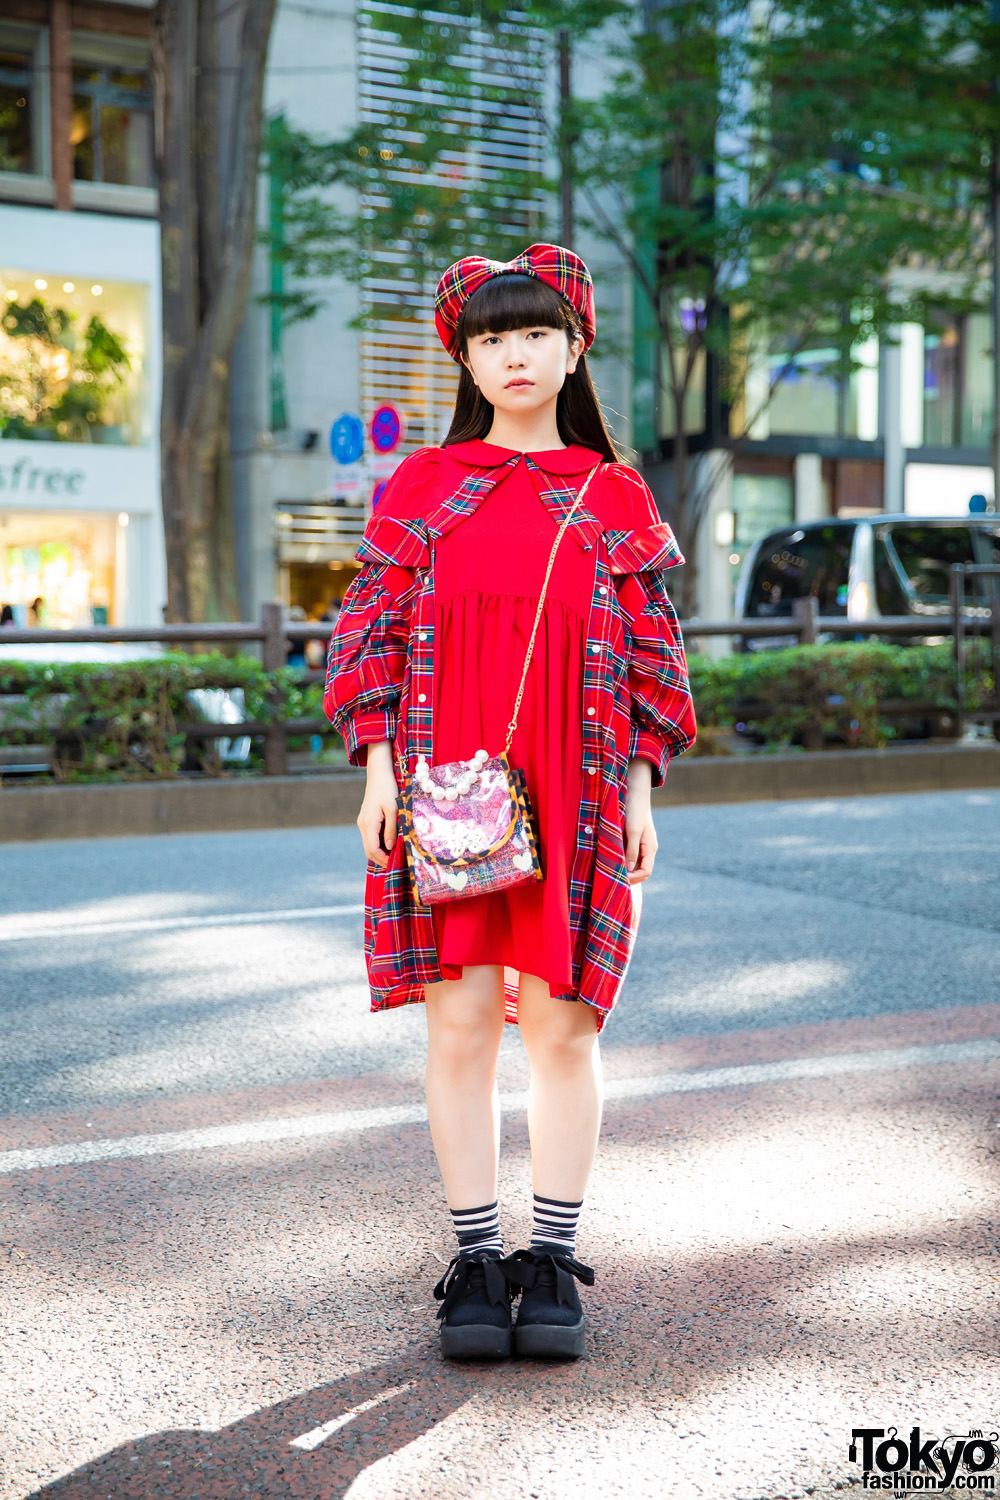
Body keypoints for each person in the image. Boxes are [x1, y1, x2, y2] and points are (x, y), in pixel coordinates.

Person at [324, 244, 696, 1362]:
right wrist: (379, 764)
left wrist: (640, 784)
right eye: (490, 337)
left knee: (566, 1026)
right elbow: (366, 631)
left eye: (534, 332)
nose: (513, 354)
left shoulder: (611, 489)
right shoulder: (425, 485)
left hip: (579, 778)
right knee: (462, 1023)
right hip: (446, 783)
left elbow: (649, 654)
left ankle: (553, 1261)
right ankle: (477, 1263)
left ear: (575, 346)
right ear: (465, 359)